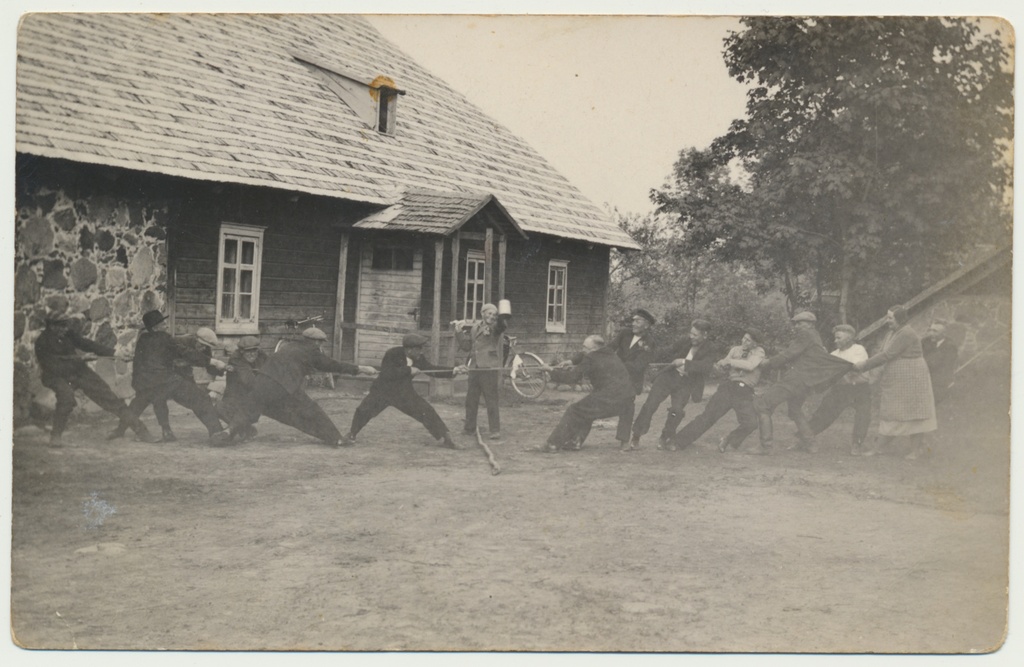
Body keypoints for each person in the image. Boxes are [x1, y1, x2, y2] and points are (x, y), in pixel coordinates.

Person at [228, 327, 377, 447]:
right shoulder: (311, 351)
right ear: (314, 341)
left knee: (252, 408)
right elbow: (332, 365)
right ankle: (336, 439)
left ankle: (228, 432)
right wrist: (360, 368)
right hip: (285, 386)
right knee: (313, 411)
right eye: (320, 342)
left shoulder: (288, 346)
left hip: (262, 382)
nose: (320, 345)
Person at [111, 310, 231, 444]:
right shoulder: (165, 338)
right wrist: (213, 361)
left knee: (137, 405)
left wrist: (222, 370)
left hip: (147, 382)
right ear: (156, 327)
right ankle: (217, 432)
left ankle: (120, 430)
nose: (166, 326)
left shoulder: (143, 340)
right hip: (166, 380)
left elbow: (139, 364)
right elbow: (184, 352)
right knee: (201, 399)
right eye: (163, 324)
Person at [34, 314, 154, 446]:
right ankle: (55, 436)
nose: (65, 328)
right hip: (55, 375)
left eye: (65, 325)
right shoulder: (42, 342)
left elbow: (87, 344)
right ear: (51, 326)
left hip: (78, 371)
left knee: (109, 397)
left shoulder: (68, 334)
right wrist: (81, 359)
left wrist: (114, 353)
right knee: (66, 398)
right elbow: (53, 365)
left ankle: (142, 430)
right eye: (61, 326)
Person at [748, 311, 853, 455]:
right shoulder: (815, 337)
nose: (796, 326)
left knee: (763, 405)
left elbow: (788, 354)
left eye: (800, 323)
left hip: (795, 379)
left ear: (810, 324)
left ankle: (765, 447)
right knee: (795, 410)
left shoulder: (806, 335)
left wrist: (766, 363)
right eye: (795, 323)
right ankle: (811, 444)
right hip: (805, 382)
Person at [346, 333, 466, 448]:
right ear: (409, 350)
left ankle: (447, 439)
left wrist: (454, 370)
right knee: (363, 410)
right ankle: (351, 434)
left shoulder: (419, 357)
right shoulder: (392, 354)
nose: (421, 351)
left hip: (404, 393)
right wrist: (409, 370)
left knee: (426, 411)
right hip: (383, 390)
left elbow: (431, 369)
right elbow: (388, 373)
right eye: (419, 348)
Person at [853, 306, 937, 460]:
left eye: (890, 318)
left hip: (912, 378)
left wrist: (864, 365)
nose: (888, 321)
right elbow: (882, 353)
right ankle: (879, 448)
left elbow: (887, 355)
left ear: (900, 319)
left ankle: (916, 450)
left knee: (914, 413)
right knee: (892, 411)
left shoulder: (906, 333)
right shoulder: (893, 332)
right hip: (898, 378)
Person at [532, 335, 635, 453]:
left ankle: (552, 444)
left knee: (574, 410)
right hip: (628, 396)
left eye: (585, 348)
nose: (582, 350)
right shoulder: (609, 352)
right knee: (587, 409)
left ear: (593, 349)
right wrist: (571, 361)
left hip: (609, 397)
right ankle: (579, 441)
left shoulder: (590, 358)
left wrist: (550, 370)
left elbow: (572, 378)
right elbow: (584, 356)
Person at [668, 328, 765, 453]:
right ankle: (677, 441)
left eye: (748, 340)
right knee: (708, 417)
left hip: (744, 392)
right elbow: (723, 367)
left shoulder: (759, 352)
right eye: (744, 338)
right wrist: (720, 367)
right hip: (729, 387)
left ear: (755, 344)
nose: (743, 341)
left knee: (751, 423)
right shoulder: (735, 349)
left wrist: (730, 362)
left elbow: (750, 365)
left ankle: (728, 440)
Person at [628, 319, 716, 450]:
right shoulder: (685, 341)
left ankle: (665, 437)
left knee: (677, 411)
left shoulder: (711, 348)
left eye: (695, 335)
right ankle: (636, 436)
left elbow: (706, 366)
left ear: (705, 335)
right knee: (650, 404)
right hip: (668, 376)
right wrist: (647, 350)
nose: (691, 336)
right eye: (691, 333)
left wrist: (684, 362)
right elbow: (668, 351)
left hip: (686, 383)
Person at [807, 324, 872, 455]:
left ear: (849, 339)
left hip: (859, 387)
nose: (835, 341)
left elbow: (853, 367)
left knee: (863, 415)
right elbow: (827, 371)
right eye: (835, 338)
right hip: (841, 388)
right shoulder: (834, 353)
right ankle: (805, 438)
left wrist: (832, 363)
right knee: (824, 411)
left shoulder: (858, 349)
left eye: (838, 338)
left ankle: (857, 444)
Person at [455, 303, 510, 441]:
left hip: (488, 368)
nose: (491, 316)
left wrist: (503, 318)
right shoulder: (474, 328)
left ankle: (495, 430)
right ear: (482, 313)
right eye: (489, 313)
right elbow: (467, 346)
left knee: (491, 399)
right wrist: (459, 331)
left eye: (494, 315)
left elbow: (501, 326)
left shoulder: (495, 328)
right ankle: (469, 428)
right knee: (471, 399)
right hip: (474, 368)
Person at [607, 309, 658, 448]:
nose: (633, 324)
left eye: (637, 321)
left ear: (646, 325)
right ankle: (577, 439)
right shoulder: (624, 333)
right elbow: (610, 348)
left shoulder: (649, 342)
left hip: (631, 382)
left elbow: (638, 366)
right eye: (633, 320)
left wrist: (614, 364)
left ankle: (624, 440)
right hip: (615, 378)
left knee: (627, 406)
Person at [217, 335, 266, 442]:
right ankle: (245, 429)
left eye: (254, 351)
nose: (252, 354)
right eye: (248, 351)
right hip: (235, 394)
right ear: (241, 351)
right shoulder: (236, 358)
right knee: (220, 409)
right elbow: (249, 381)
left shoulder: (261, 355)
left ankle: (240, 429)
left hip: (252, 394)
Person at [922, 320, 958, 408]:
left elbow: (936, 364)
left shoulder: (950, 346)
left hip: (939, 384)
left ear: (944, 334)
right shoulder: (926, 341)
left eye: (935, 331)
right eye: (930, 330)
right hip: (924, 379)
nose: (931, 333)